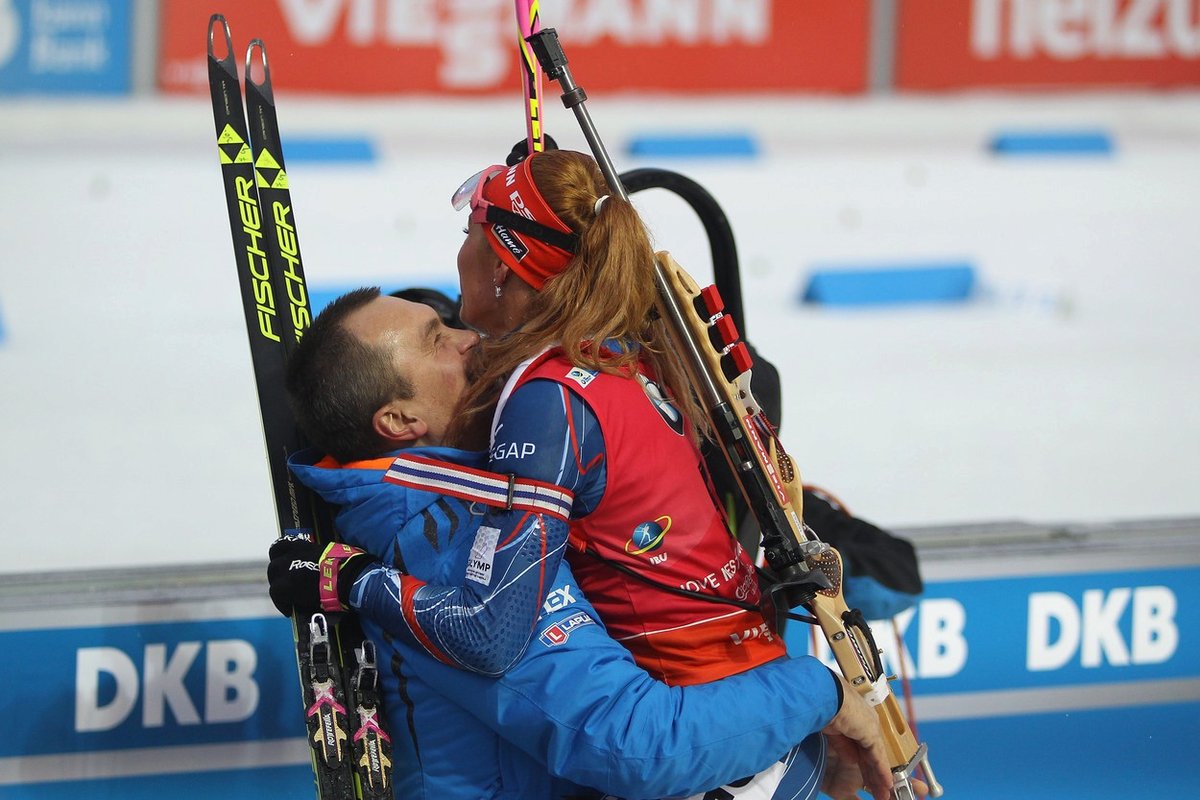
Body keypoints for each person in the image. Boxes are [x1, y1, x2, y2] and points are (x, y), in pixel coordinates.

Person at [267, 287, 899, 800]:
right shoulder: (455, 545)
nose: (471, 340)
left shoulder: (471, 496)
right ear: (401, 422)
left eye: (452, 322)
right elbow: (631, 744)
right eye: (440, 341)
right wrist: (823, 697)